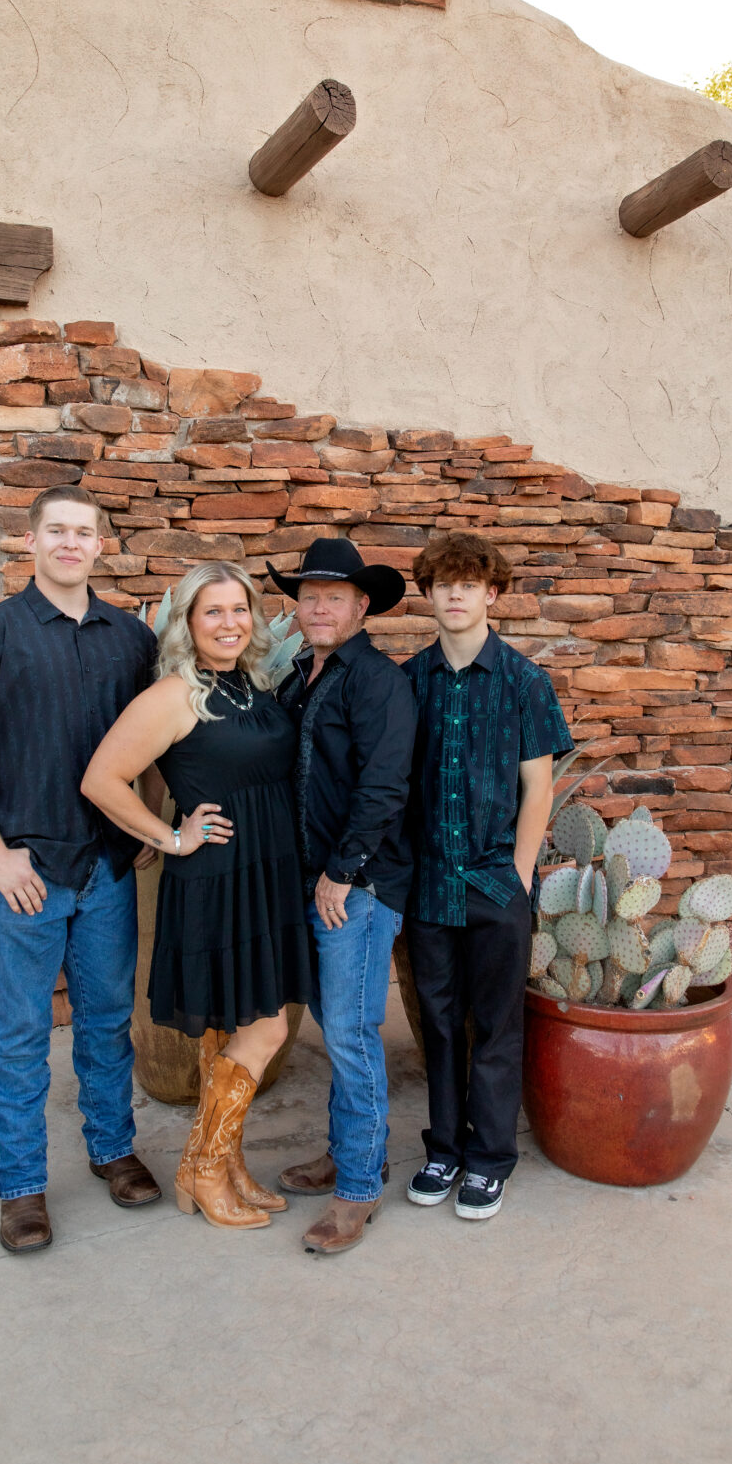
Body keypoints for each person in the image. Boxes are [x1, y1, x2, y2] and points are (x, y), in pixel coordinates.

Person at [0, 485, 162, 1256]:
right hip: (25, 873)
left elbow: (152, 742)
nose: (69, 543)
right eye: (55, 530)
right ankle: (21, 1186)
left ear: (100, 546)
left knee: (104, 1024)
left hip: (107, 871)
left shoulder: (131, 639)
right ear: (31, 542)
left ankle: (111, 1148)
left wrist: (151, 826)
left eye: (83, 532)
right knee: (22, 1034)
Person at [81, 561, 312, 1231]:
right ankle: (203, 1167)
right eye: (212, 611)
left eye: (239, 610)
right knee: (265, 1025)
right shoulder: (175, 694)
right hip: (216, 881)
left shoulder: (251, 684)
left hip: (264, 874)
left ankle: (227, 1165)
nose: (229, 623)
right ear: (186, 621)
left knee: (234, 1028)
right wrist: (170, 837)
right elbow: (102, 777)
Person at [402, 532, 573, 1220]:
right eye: (443, 584)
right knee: (440, 1024)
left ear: (491, 593)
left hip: (497, 885)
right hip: (430, 885)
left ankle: (490, 1159)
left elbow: (539, 789)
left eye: (468, 584)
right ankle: (443, 1147)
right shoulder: (409, 680)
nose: (455, 595)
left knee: (496, 1025)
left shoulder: (525, 682)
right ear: (431, 594)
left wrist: (521, 877)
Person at [269, 538, 416, 1255]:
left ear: (362, 606)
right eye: (308, 595)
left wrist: (342, 872)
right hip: (312, 882)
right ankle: (350, 1150)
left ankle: (357, 1190)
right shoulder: (300, 674)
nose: (319, 606)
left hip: (355, 888)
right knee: (338, 1029)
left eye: (334, 596)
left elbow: (384, 785)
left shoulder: (377, 681)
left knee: (354, 1035)